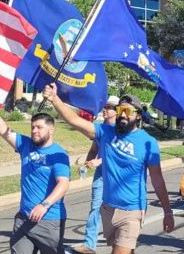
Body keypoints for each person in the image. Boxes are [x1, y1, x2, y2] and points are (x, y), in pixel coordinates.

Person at [43, 83, 174, 254]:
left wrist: (168, 212)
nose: (123, 115)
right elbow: (75, 121)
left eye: (128, 111)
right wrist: (55, 99)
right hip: (107, 209)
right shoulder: (106, 132)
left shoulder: (147, 142)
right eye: (120, 110)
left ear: (139, 116)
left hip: (132, 211)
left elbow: (157, 179)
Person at [0, 113, 70, 254]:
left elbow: (63, 184)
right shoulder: (26, 145)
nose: (34, 131)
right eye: (32, 127)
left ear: (51, 130)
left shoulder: (58, 154)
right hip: (24, 219)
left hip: (49, 221)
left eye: (39, 127)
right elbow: (3, 129)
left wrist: (44, 205)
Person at [71, 96, 119, 254]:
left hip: (117, 175)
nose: (106, 109)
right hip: (101, 174)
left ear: (117, 111)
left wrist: (99, 161)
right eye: (105, 106)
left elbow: (117, 153)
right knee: (95, 207)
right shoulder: (99, 128)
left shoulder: (121, 130)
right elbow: (94, 149)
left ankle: (119, 239)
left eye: (110, 107)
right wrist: (87, 163)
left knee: (116, 208)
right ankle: (89, 244)